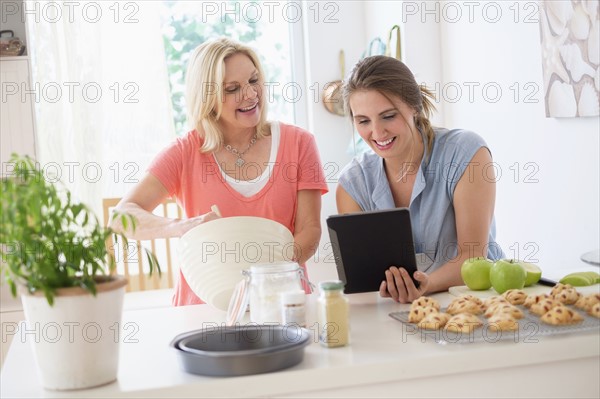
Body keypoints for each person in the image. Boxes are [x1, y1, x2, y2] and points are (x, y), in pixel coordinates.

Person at [112, 37, 328, 306]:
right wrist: (184, 226)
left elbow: (310, 229)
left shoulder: (299, 143)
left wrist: (264, 277)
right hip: (204, 308)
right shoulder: (185, 152)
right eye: (232, 88)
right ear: (208, 97)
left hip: (280, 303)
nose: (250, 94)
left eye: (253, 80)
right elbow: (121, 216)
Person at [337, 55, 504, 303]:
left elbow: (473, 257)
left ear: (414, 106)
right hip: (399, 309)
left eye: (388, 116)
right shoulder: (353, 183)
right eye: (363, 121)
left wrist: (425, 285)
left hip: (476, 300)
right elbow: (363, 274)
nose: (377, 132)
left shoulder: (465, 152)